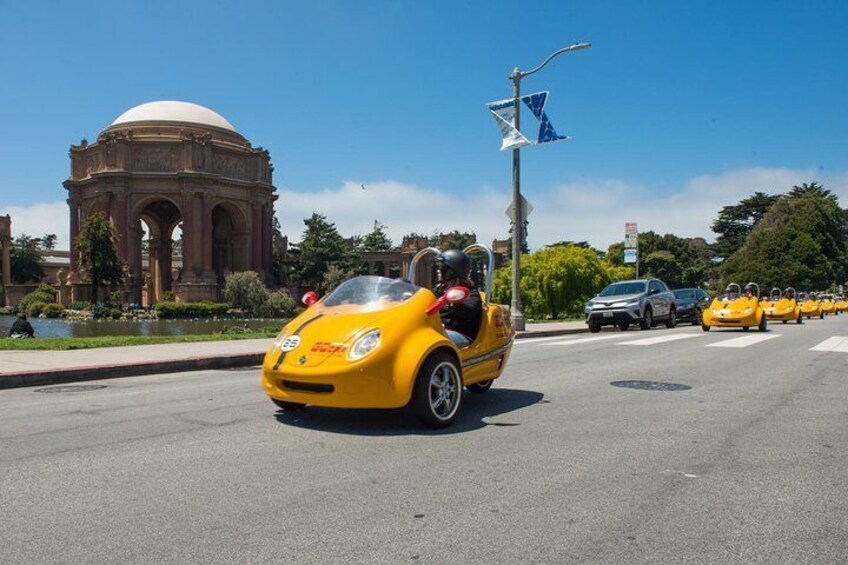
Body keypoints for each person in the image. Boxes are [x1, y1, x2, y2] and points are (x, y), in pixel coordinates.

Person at [433, 249, 483, 347]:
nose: (440, 271)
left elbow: (469, 311)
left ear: (453, 272)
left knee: (434, 341)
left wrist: (454, 301)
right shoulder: (439, 290)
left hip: (460, 333)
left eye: (443, 269)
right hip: (437, 329)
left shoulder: (470, 292)